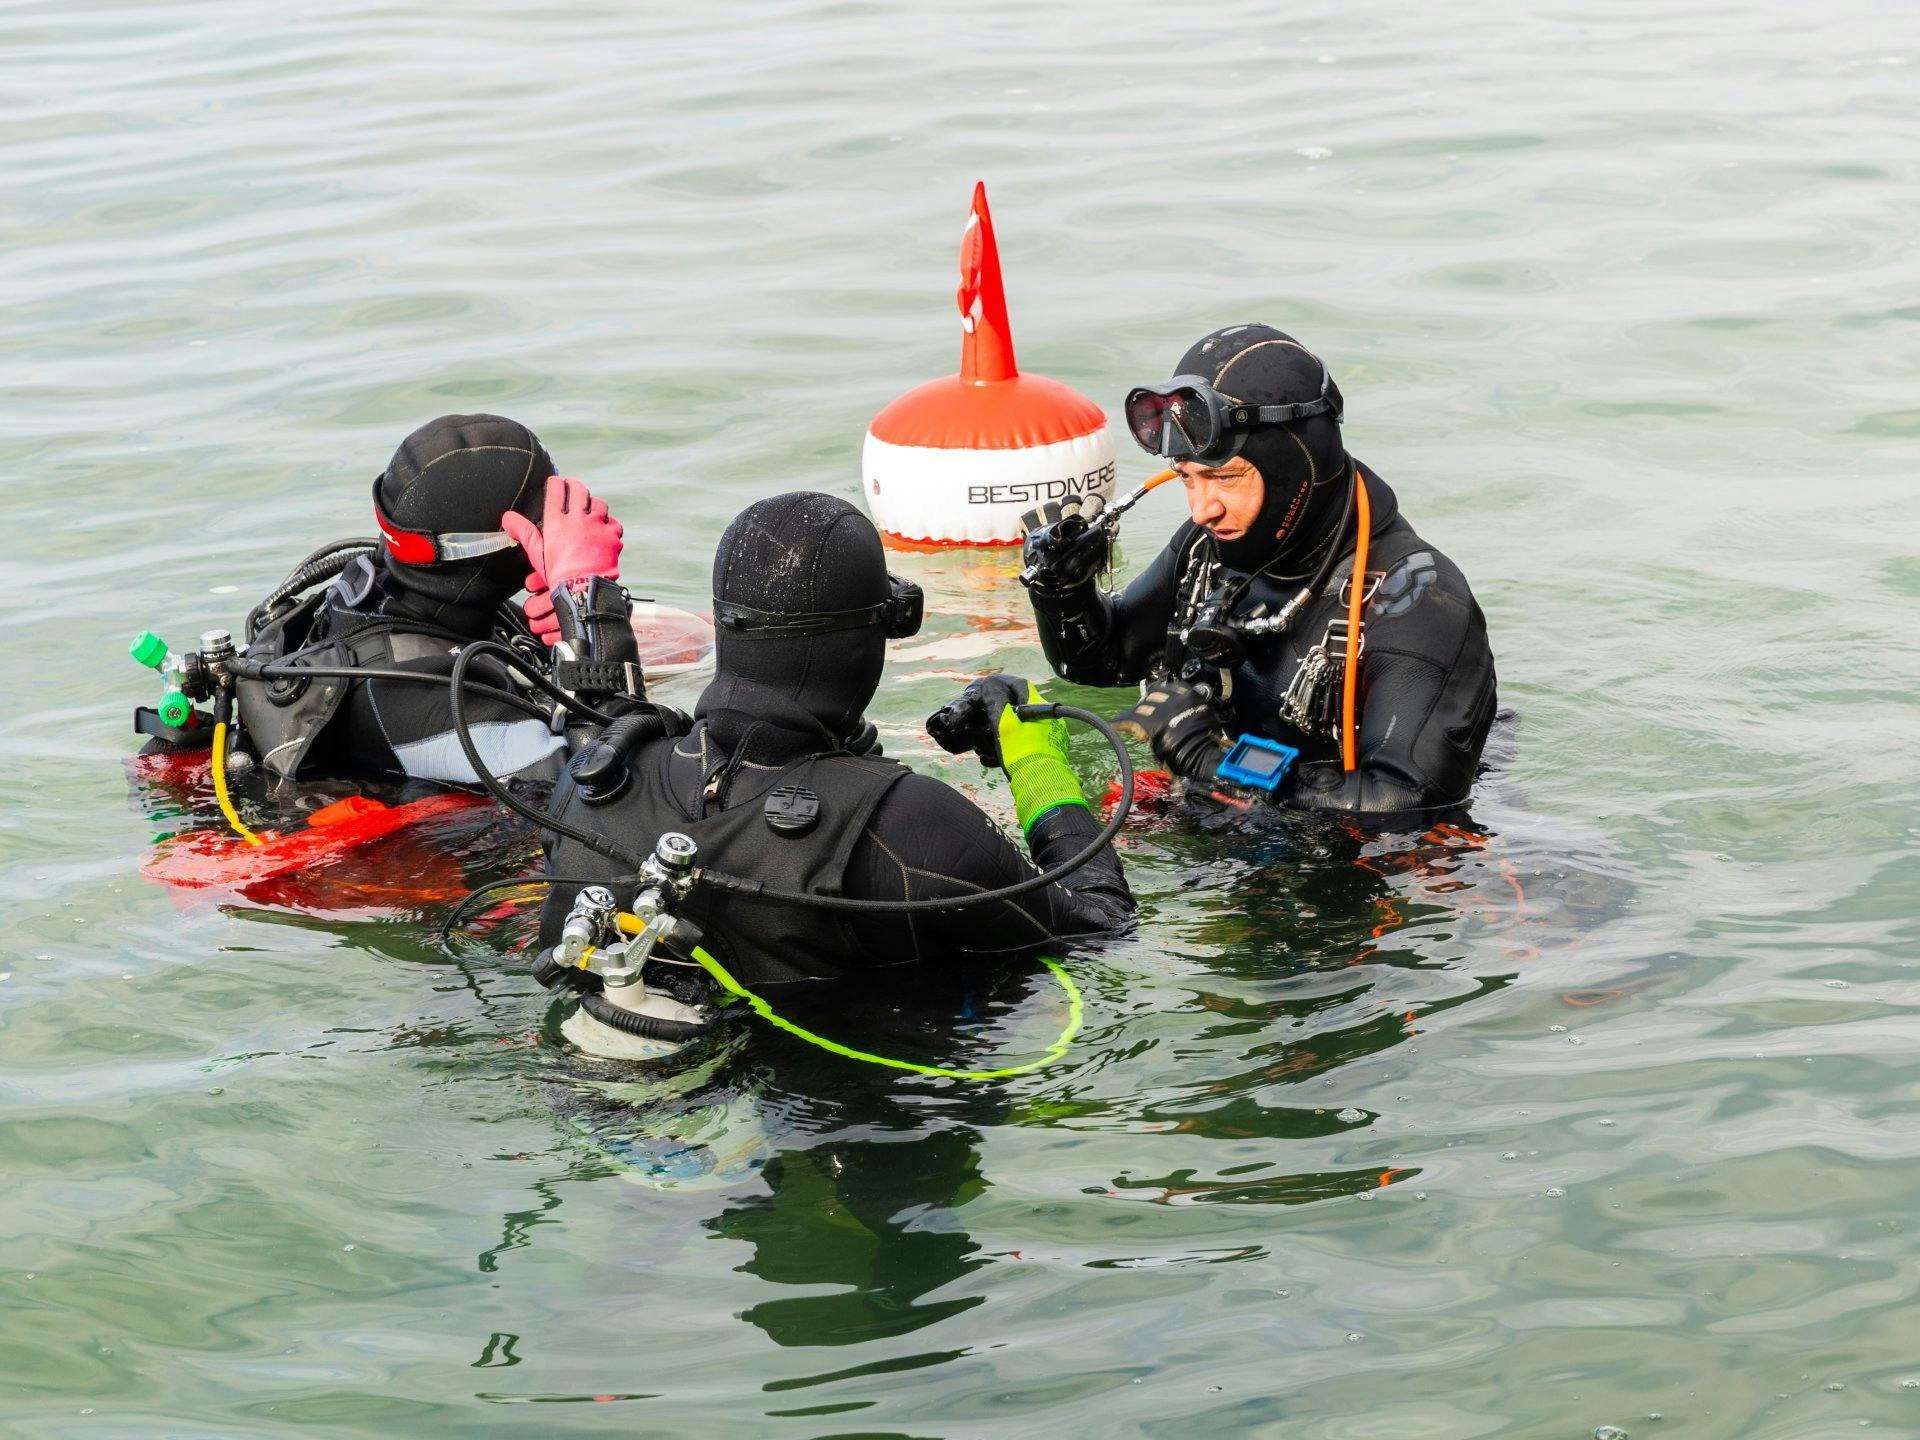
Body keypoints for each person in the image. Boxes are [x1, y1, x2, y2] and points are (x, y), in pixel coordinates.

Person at [538, 491, 1134, 987]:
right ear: (865, 641)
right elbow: (1101, 931)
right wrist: (1038, 767)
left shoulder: (594, 782)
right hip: (840, 1119)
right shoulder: (913, 828)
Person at [1019, 324, 1496, 818]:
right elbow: (1102, 661)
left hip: (1363, 867)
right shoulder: (1209, 544)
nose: (1203, 509)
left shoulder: (1417, 601)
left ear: (1293, 471)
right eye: (1187, 479)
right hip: (1245, 830)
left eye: (1225, 478)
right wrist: (1063, 590)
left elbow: (1409, 801)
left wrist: (1213, 761)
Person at [215, 413, 642, 786]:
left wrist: (572, 625)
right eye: (551, 518)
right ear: (510, 541)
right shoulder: (421, 696)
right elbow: (611, 790)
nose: (568, 530)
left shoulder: (391, 598)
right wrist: (590, 601)